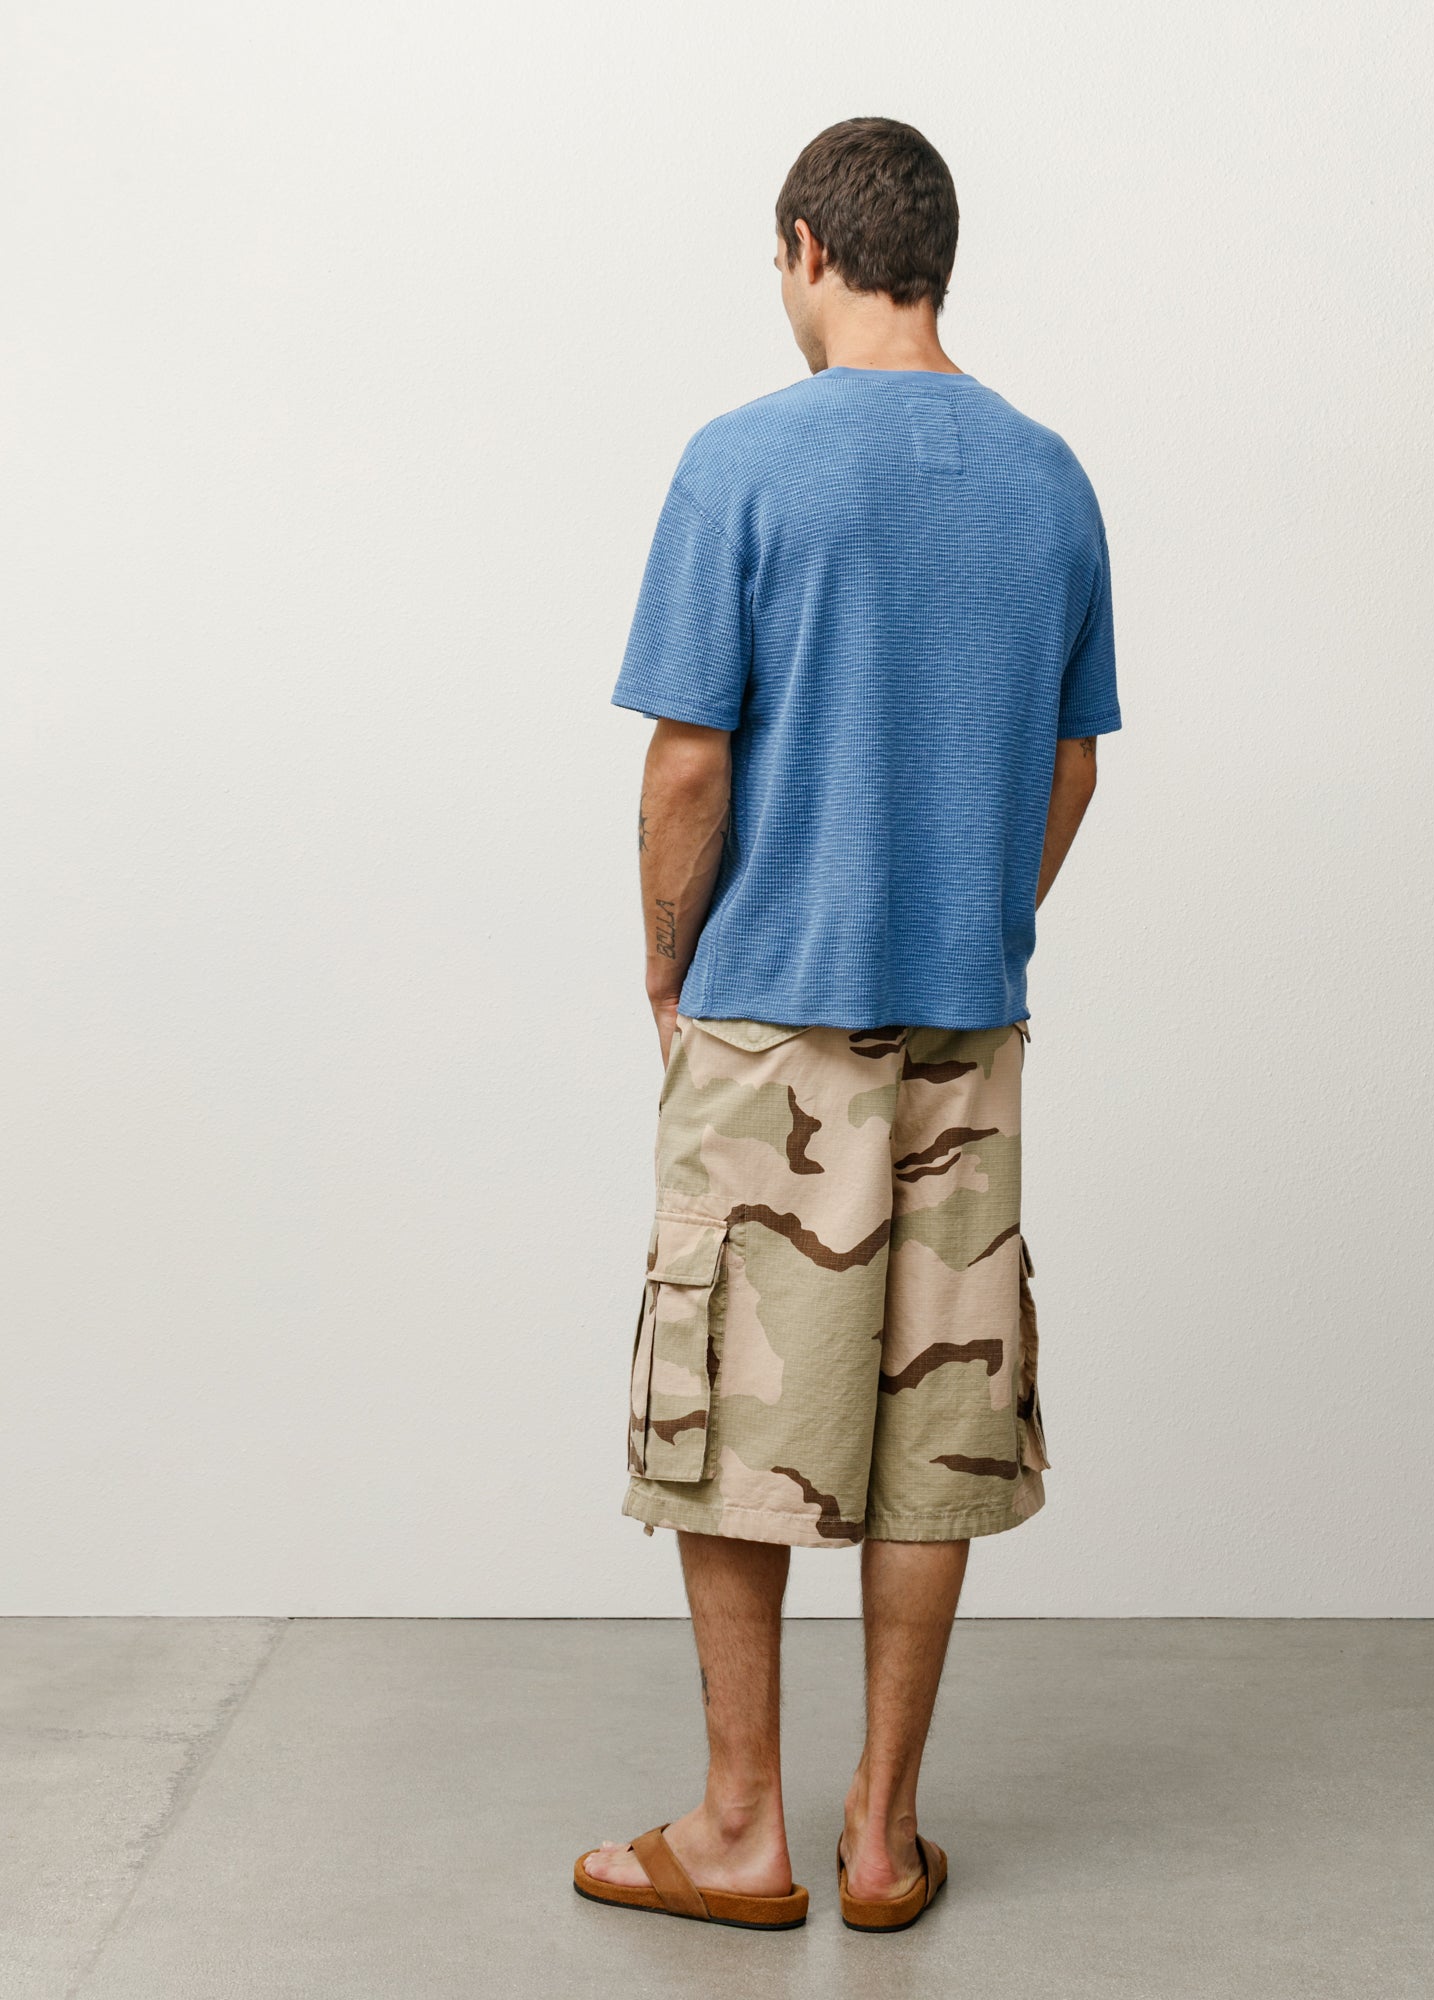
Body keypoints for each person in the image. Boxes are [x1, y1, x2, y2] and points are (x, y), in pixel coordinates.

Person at [573, 115, 1120, 1934]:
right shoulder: (1051, 477)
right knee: (932, 1422)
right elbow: (1071, 766)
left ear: (810, 247)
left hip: (771, 1023)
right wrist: (979, 916)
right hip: (968, 1024)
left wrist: (668, 962)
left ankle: (744, 1831)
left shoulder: (743, 459)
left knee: (743, 1411)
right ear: (933, 258)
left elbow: (687, 766)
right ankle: (881, 1837)